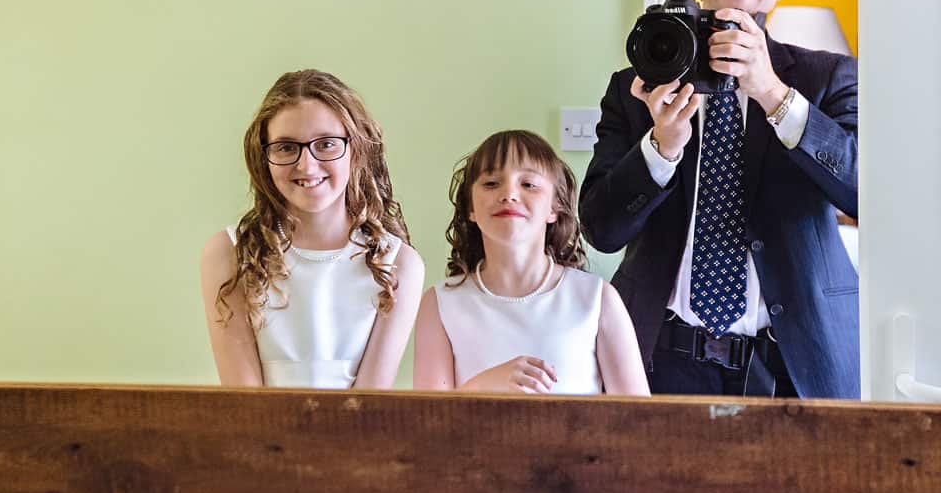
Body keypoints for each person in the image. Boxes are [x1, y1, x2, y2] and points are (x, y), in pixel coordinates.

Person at [580, 0, 858, 398]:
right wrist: (660, 148)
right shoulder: (638, 83)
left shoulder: (825, 77)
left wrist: (774, 95)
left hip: (795, 362)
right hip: (661, 358)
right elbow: (601, 229)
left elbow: (866, 193)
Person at [200, 69, 424, 389]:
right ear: (264, 157)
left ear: (356, 149)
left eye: (327, 144)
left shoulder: (400, 264)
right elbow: (242, 400)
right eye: (286, 147)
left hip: (357, 437)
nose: (306, 166)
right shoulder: (229, 252)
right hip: (256, 436)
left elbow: (370, 402)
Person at [413, 130, 648, 395]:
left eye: (528, 184)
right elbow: (429, 425)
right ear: (470, 208)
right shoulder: (440, 304)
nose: (509, 194)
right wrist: (484, 385)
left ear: (554, 208)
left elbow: (638, 421)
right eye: (491, 183)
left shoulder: (597, 299)